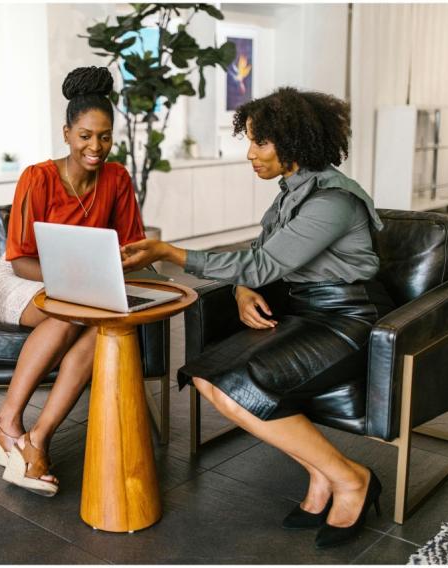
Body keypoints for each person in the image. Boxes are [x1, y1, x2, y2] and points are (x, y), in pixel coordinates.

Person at [121, 87, 395, 548]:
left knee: (240, 389)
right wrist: (245, 287)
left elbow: (264, 262)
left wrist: (172, 252)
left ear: (293, 143)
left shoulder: (331, 201)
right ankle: (322, 474)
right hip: (305, 311)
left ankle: (352, 479)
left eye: (259, 142)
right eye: (248, 141)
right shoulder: (292, 191)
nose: (249, 154)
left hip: (350, 320)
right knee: (207, 377)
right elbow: (261, 257)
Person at [0, 66, 145, 497]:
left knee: (101, 328)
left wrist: (116, 267)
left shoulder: (117, 179)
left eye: (105, 136)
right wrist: (77, 284)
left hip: (74, 287)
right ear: (67, 133)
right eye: (86, 135)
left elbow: (132, 246)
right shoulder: (37, 177)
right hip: (18, 278)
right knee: (71, 313)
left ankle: (37, 438)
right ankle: (7, 421)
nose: (96, 146)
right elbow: (18, 259)